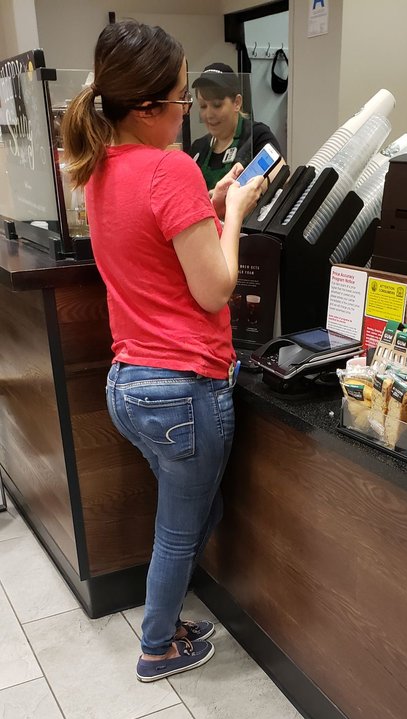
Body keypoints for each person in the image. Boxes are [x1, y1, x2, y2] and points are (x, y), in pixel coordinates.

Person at [62, 20, 263, 683]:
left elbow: (154, 246)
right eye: (181, 98)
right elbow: (216, 289)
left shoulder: (99, 170)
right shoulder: (169, 168)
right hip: (182, 387)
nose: (188, 111)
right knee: (180, 529)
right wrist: (234, 213)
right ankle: (157, 646)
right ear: (148, 106)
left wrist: (206, 206)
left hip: (130, 385)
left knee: (196, 511)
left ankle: (166, 623)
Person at [190, 62, 284, 190]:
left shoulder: (257, 136)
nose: (209, 114)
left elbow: (281, 176)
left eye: (217, 105)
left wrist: (248, 189)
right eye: (203, 106)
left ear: (237, 102)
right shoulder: (198, 148)